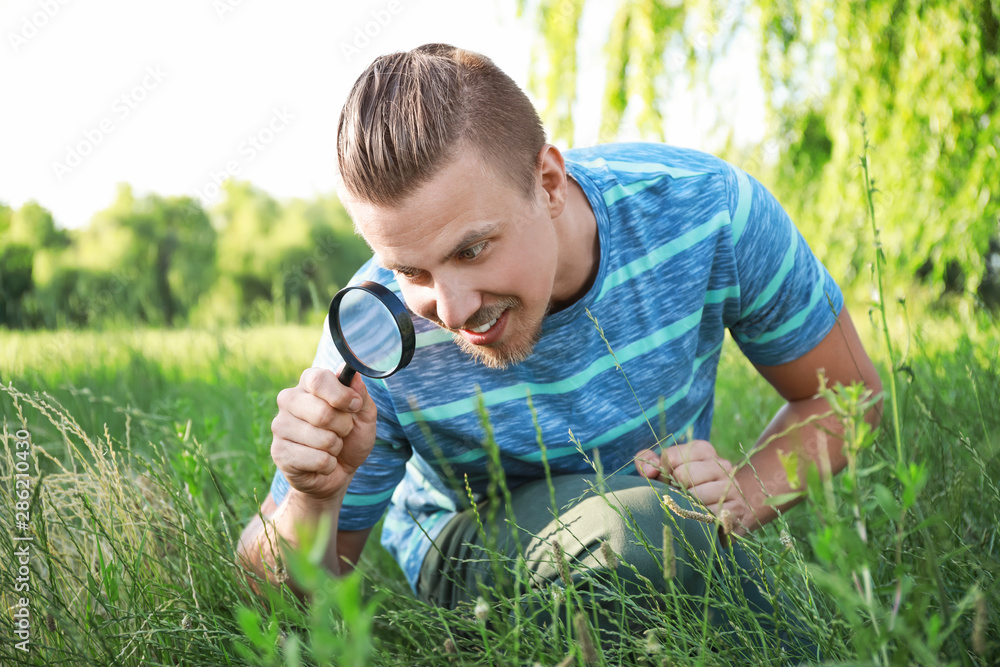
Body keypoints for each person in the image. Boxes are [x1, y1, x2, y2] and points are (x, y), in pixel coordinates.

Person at [237, 43, 882, 657]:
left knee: (658, 535)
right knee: (644, 534)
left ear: (548, 182)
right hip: (472, 535)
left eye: (471, 249)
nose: (453, 311)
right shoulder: (372, 329)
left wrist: (741, 494)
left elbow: (849, 396)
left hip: (663, 512)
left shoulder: (708, 209)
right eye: (413, 271)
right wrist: (310, 498)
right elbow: (282, 595)